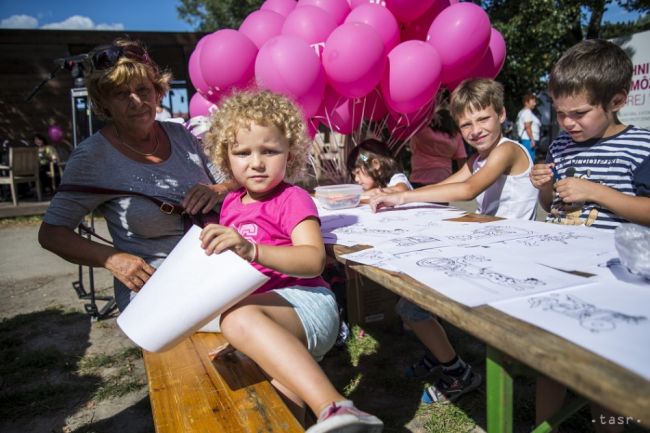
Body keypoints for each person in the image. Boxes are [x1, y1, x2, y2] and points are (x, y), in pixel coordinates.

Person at [200, 89, 383, 433]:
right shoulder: (231, 205)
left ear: (290, 152)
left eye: (269, 150)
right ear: (226, 158)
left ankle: (335, 407)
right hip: (269, 315)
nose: (256, 162)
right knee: (281, 407)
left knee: (237, 318)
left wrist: (252, 250)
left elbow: (313, 260)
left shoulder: (293, 198)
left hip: (307, 304)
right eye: (242, 152)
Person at [369, 78, 538, 405]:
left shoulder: (507, 150)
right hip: (488, 246)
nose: (475, 130)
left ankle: (458, 370)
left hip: (513, 256)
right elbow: (443, 187)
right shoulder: (476, 159)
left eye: (483, 119)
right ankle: (443, 355)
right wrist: (395, 193)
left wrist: (403, 200)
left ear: (502, 114)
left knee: (409, 304)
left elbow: (466, 191)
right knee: (407, 290)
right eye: (466, 124)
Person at [38, 38, 234, 311]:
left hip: (220, 274)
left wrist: (217, 190)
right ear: (104, 103)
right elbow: (51, 234)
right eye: (120, 93)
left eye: (143, 89)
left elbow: (236, 181)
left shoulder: (181, 136)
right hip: (157, 291)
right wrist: (112, 258)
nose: (136, 101)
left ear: (157, 92)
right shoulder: (92, 156)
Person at [530, 39, 650, 433]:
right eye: (561, 114)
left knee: (602, 374)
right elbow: (552, 208)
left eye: (579, 113)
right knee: (548, 361)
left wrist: (597, 192)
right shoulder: (563, 145)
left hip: (610, 277)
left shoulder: (640, 146)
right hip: (560, 268)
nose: (567, 123)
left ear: (616, 100)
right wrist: (544, 185)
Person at [409, 106, 467, 188]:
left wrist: (429, 115)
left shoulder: (422, 131)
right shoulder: (456, 137)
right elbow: (461, 159)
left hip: (419, 176)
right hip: (443, 178)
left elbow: (414, 119)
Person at [346, 138, 413, 201]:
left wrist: (374, 192)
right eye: (354, 175)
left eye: (358, 172)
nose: (356, 179)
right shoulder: (371, 186)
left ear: (375, 164)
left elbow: (401, 190)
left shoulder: (396, 179)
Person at [516, 93, 542, 161]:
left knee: (525, 159)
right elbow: (528, 127)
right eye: (533, 101)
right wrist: (532, 139)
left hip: (525, 139)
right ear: (526, 102)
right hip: (528, 140)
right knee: (529, 160)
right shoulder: (527, 112)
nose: (535, 103)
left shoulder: (522, 112)